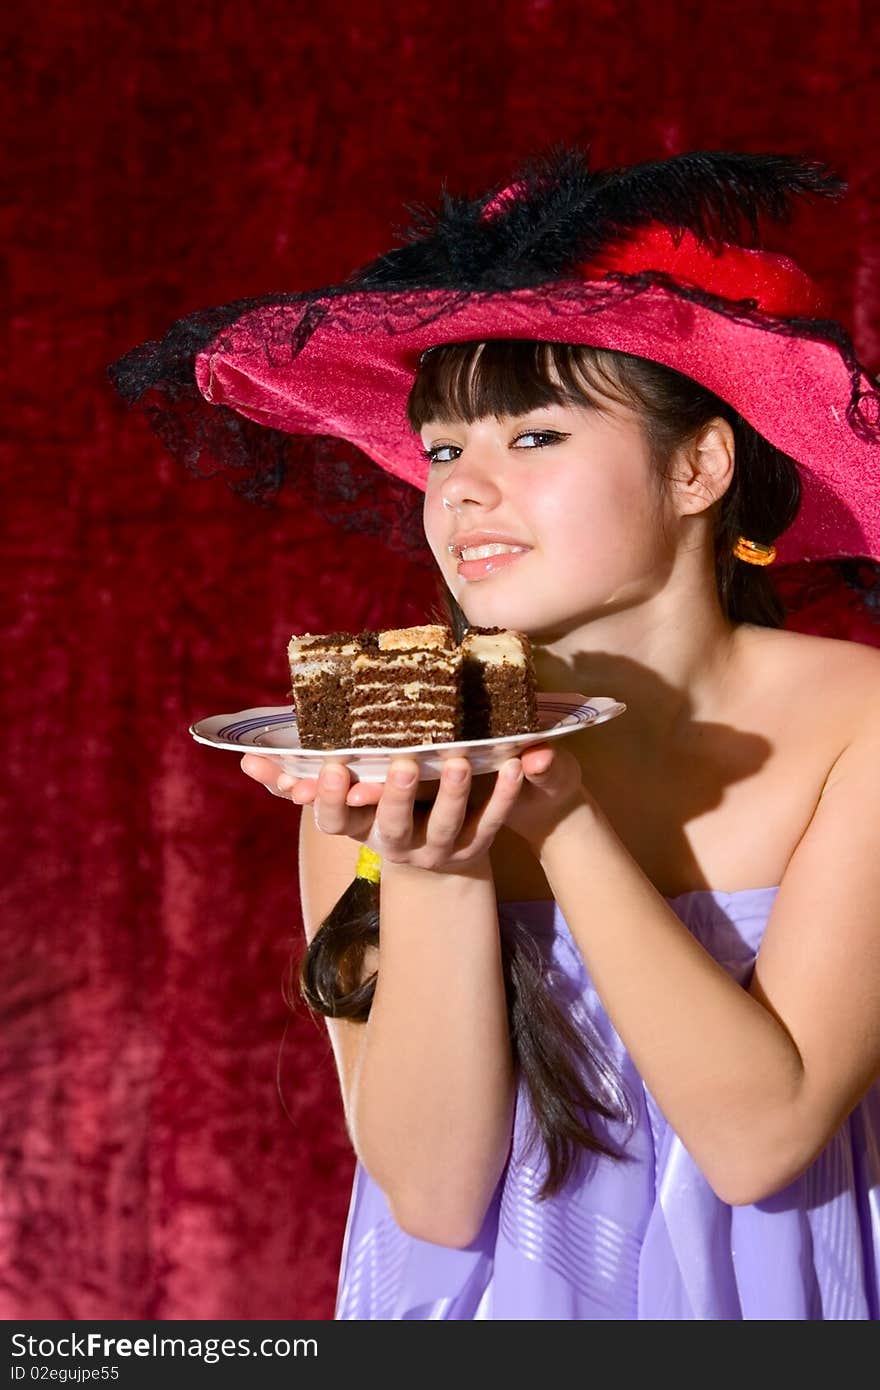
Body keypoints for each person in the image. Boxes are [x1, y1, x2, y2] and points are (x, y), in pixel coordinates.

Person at [108, 144, 880, 1318]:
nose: (459, 492)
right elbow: (430, 1192)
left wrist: (559, 817)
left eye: (532, 438)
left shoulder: (857, 727)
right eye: (441, 450)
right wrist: (436, 865)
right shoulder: (374, 762)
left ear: (700, 467)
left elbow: (758, 1137)